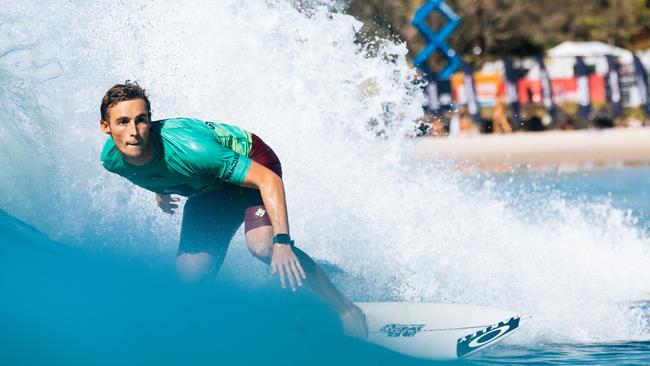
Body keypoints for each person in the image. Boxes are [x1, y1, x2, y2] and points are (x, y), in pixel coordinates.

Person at [98, 81, 367, 338]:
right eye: (123, 121)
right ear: (106, 127)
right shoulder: (112, 159)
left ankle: (345, 307)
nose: (134, 131)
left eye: (141, 120)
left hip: (253, 164)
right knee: (189, 280)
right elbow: (150, 168)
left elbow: (267, 180)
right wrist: (161, 190)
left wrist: (282, 240)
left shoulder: (194, 150)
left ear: (150, 121)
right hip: (210, 187)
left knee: (263, 246)